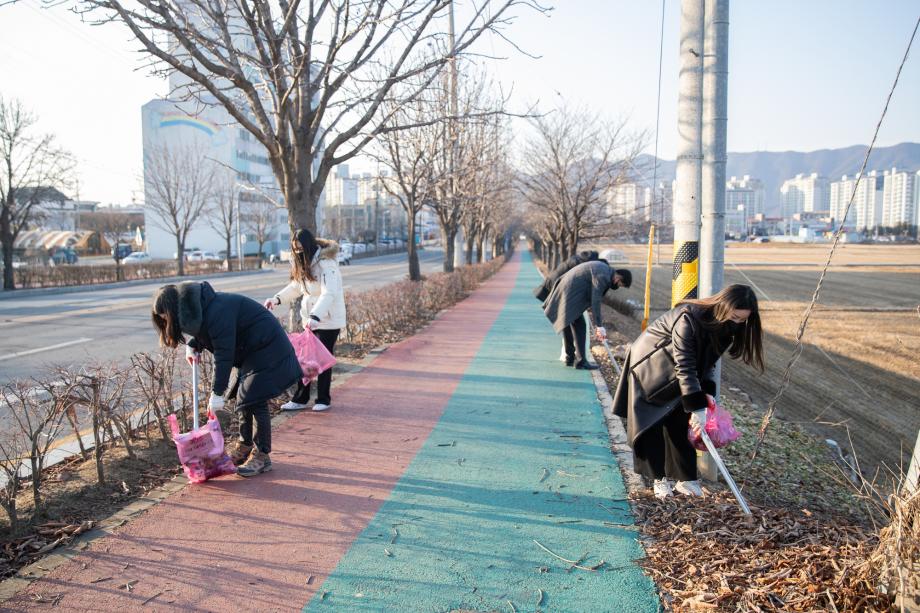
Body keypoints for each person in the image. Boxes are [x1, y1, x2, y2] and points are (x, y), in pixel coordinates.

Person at [612, 284, 764, 499]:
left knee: (680, 423)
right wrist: (697, 406)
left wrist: (705, 393)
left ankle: (686, 480)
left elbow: (707, 361)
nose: (737, 323)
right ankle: (659, 480)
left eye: (742, 320)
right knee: (652, 425)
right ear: (723, 306)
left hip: (677, 373)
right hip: (649, 368)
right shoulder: (688, 317)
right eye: (735, 317)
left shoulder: (726, 325)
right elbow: (684, 364)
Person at [151, 281, 302, 477]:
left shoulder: (215, 311)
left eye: (165, 316)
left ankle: (262, 455)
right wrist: (194, 344)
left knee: (255, 399)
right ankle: (245, 445)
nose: (164, 320)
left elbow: (223, 353)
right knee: (244, 399)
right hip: (253, 348)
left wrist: (217, 392)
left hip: (269, 347)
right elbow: (211, 332)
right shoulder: (201, 307)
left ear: (174, 309)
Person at [264, 228, 346, 412]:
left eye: (301, 248)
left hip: (328, 320)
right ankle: (301, 399)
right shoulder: (305, 263)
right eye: (295, 249)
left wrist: (316, 315)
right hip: (311, 320)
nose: (298, 252)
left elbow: (329, 293)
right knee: (304, 360)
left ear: (309, 246)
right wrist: (276, 299)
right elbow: (296, 287)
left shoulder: (326, 264)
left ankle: (323, 399)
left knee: (322, 360)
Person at [542, 260, 632, 370]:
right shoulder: (603, 277)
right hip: (569, 291)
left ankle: (570, 358)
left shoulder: (606, 271)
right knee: (580, 326)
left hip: (567, 288)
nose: (618, 287)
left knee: (567, 321)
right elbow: (596, 300)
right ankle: (581, 362)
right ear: (618, 279)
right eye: (620, 285)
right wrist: (599, 326)